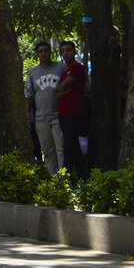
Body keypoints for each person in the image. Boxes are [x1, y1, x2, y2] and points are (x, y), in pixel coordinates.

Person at [24, 41, 67, 175]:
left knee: (61, 149)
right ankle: (52, 180)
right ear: (37, 54)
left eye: (46, 51)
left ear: (51, 53)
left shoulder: (60, 68)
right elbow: (28, 94)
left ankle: (63, 179)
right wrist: (27, 113)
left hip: (59, 116)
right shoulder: (33, 72)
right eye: (41, 51)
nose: (44, 54)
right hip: (41, 118)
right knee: (48, 151)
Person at [53, 41, 89, 179]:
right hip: (63, 115)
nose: (65, 53)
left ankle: (73, 180)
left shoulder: (77, 68)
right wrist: (61, 91)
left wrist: (61, 89)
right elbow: (55, 93)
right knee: (68, 148)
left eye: (68, 50)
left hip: (75, 115)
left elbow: (60, 87)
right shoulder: (64, 71)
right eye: (62, 51)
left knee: (71, 149)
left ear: (74, 52)